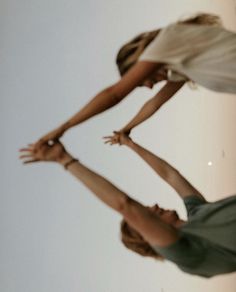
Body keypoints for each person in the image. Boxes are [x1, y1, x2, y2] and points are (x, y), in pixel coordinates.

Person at [19, 134, 236, 277]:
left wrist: (131, 144)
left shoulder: (197, 213)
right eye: (147, 215)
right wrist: (64, 159)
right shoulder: (188, 253)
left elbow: (170, 175)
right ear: (147, 235)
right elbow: (125, 205)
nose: (153, 207)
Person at [34, 13, 236, 149]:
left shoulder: (167, 42)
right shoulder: (179, 68)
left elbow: (114, 94)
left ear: (138, 61)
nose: (148, 86)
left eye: (140, 82)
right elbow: (155, 103)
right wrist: (126, 129)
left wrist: (63, 128)